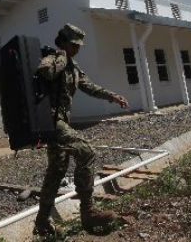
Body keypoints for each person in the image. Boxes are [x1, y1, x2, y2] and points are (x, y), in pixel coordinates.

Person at [33, 24, 129, 238]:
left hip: (61, 123)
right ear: (65, 42)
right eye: (74, 45)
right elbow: (45, 72)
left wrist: (112, 96)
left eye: (79, 46)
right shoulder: (53, 58)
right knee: (86, 151)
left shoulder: (73, 67)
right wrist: (61, 56)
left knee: (56, 171)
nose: (78, 49)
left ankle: (41, 222)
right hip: (51, 121)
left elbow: (89, 86)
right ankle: (88, 212)